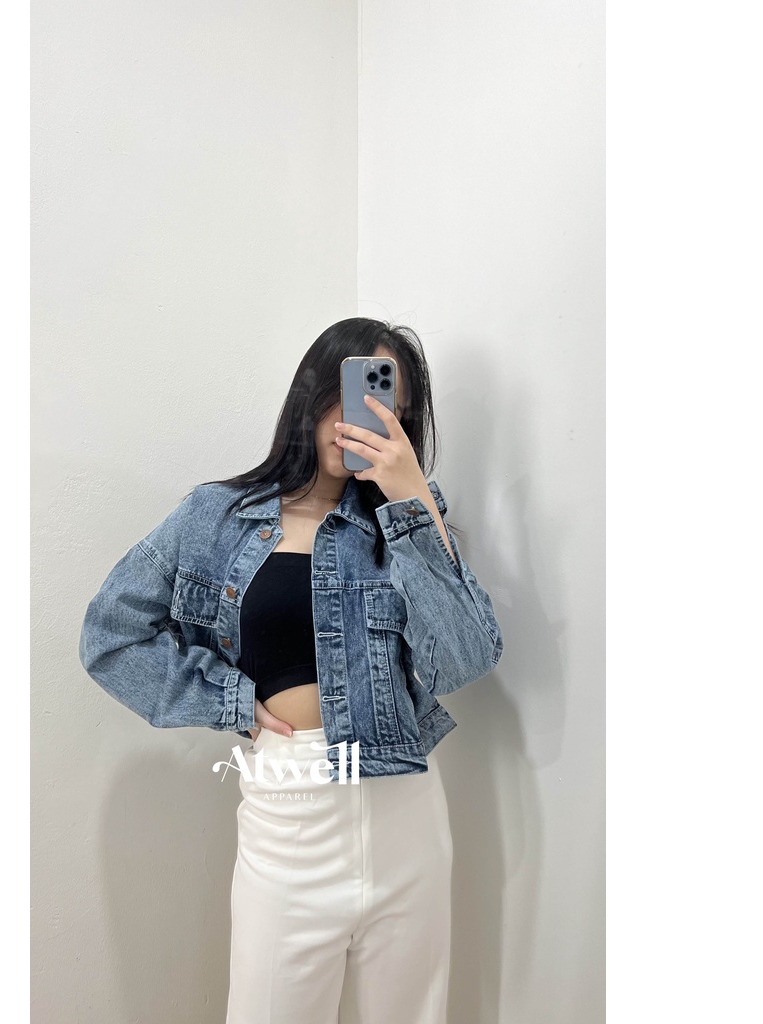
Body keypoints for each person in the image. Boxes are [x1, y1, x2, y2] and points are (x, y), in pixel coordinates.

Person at [79, 316, 504, 1024]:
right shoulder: (216, 517)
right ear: (314, 391)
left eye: (391, 410)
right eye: (357, 392)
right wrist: (228, 700)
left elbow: (466, 658)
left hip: (407, 811)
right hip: (290, 809)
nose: (368, 420)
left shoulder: (408, 521)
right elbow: (111, 635)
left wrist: (411, 505)